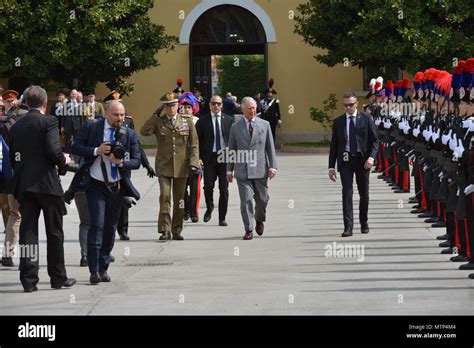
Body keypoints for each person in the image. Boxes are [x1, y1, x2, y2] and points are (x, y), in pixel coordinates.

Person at [9, 85, 76, 292]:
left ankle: (29, 281)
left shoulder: (17, 125)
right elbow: (53, 150)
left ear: (27, 103)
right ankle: (57, 277)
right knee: (54, 232)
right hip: (47, 184)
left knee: (28, 233)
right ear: (45, 104)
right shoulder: (49, 121)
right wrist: (63, 162)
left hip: (26, 186)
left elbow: (14, 157)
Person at [71, 100, 141, 284]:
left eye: (122, 115)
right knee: (97, 225)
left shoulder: (129, 133)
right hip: (95, 185)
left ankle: (103, 268)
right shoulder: (92, 127)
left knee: (110, 228)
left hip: (116, 187)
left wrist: (121, 163)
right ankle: (93, 271)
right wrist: (96, 150)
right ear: (106, 114)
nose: (120, 118)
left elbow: (137, 160)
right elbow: (75, 147)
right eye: (116, 114)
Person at [140, 92, 200, 241]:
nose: (171, 108)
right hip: (164, 166)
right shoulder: (159, 122)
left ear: (177, 105)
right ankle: (165, 230)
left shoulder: (186, 121)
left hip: (181, 166)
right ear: (163, 107)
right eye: (167, 106)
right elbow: (144, 131)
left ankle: (177, 229)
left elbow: (194, 144)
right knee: (165, 197)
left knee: (180, 199)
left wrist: (193, 162)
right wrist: (155, 115)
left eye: (173, 105)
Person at [328, 92, 379, 237]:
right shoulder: (338, 122)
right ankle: (348, 227)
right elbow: (334, 145)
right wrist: (331, 167)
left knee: (364, 193)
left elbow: (375, 141)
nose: (348, 107)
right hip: (346, 161)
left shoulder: (366, 118)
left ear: (356, 104)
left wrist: (371, 158)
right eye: (345, 105)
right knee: (347, 192)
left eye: (350, 105)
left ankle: (364, 222)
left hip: (363, 161)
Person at [227, 97, 278, 240]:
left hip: (261, 169)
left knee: (262, 199)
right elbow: (231, 150)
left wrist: (273, 166)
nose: (253, 110)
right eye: (249, 108)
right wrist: (229, 170)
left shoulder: (265, 125)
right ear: (242, 109)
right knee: (246, 200)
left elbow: (270, 148)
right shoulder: (235, 127)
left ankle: (259, 219)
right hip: (243, 171)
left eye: (254, 108)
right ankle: (248, 229)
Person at [196, 95, 234, 226]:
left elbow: (233, 141)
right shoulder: (202, 121)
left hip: (224, 157)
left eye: (218, 103)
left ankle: (222, 217)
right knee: (208, 186)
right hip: (209, 158)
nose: (216, 106)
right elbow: (197, 142)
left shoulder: (229, 120)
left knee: (224, 188)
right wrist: (198, 158)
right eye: (213, 103)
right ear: (209, 105)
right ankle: (210, 207)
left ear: (222, 105)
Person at [179, 92, 203, 222]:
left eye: (189, 107)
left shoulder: (198, 122)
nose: (186, 109)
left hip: (195, 160)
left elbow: (202, 143)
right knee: (182, 189)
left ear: (193, 108)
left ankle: (194, 213)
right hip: (181, 161)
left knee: (195, 189)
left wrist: (200, 158)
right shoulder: (177, 121)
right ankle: (186, 210)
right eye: (184, 106)